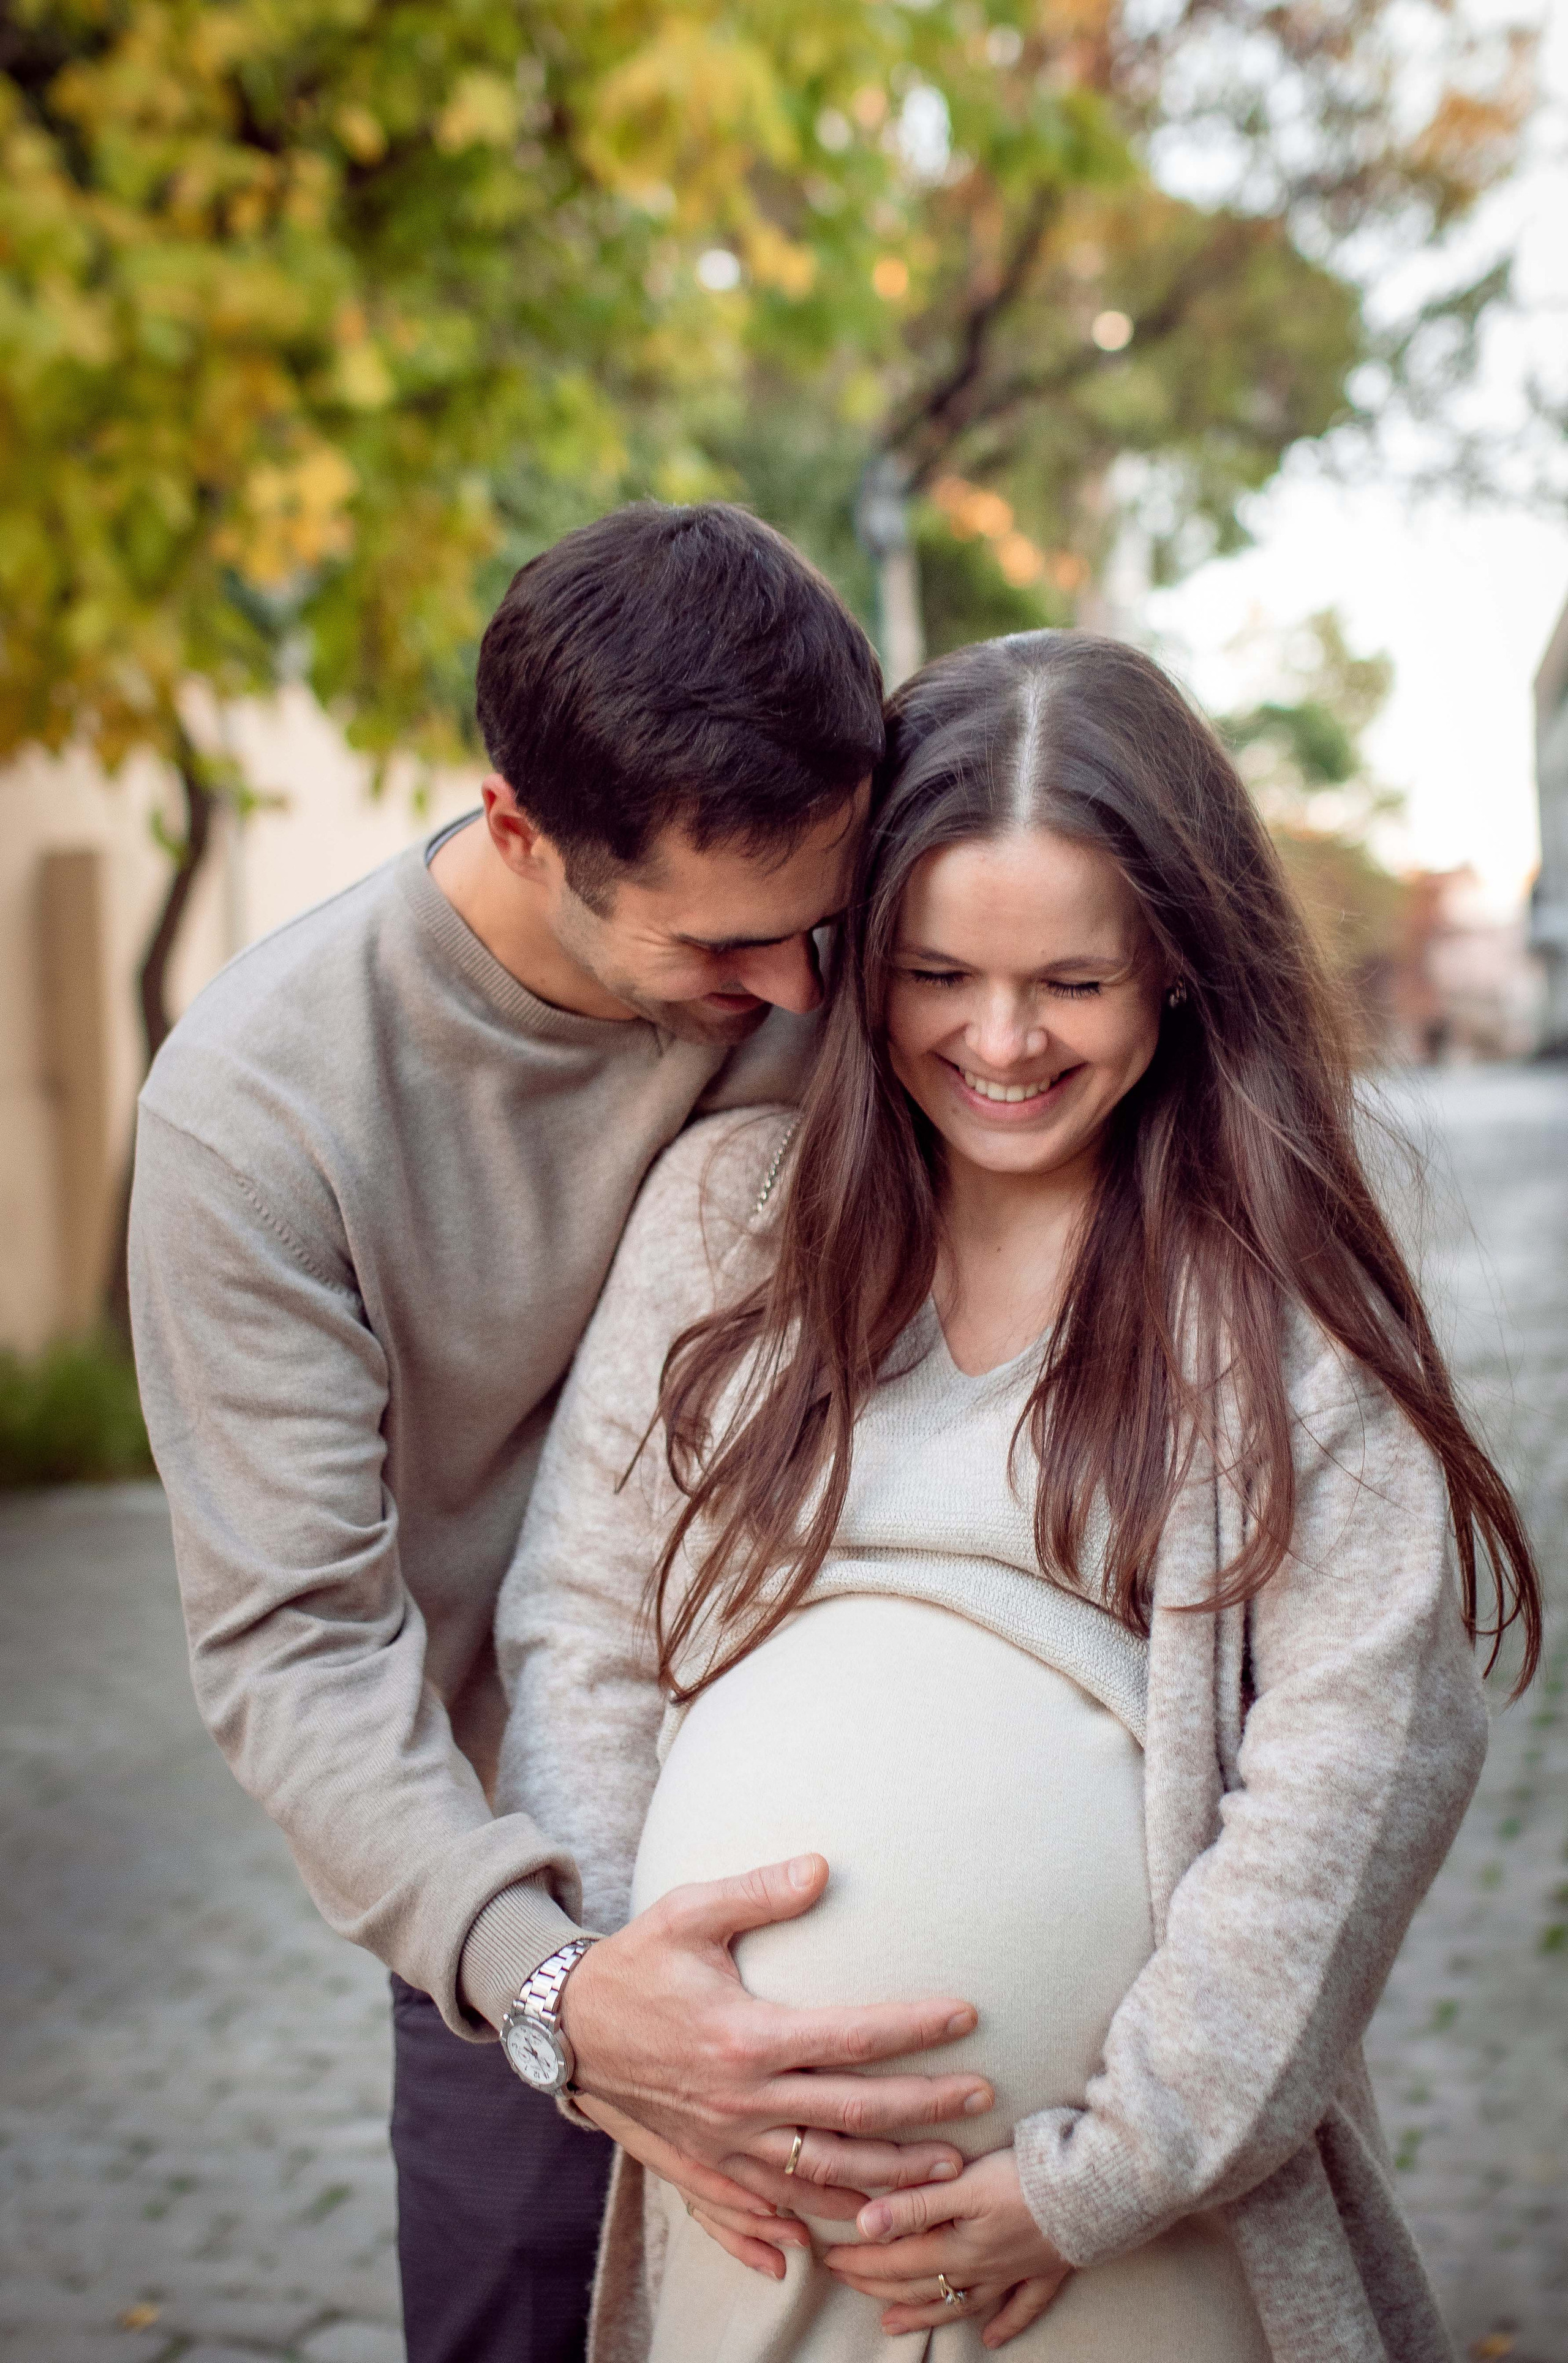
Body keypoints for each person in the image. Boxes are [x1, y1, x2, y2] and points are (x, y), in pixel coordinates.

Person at [493, 629, 1542, 2361]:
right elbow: (581, 1628)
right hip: (740, 2211)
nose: (999, 1039)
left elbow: (1355, 1784)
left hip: (1123, 2247)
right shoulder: (722, 1224)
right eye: (936, 972)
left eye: (1073, 979)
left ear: (1185, 968)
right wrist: (649, 2035)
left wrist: (1103, 2170)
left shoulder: (1275, 1312)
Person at [127, 502, 993, 2363]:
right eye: (725, 944)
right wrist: (559, 1986)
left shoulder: (843, 948)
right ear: (521, 826)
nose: (797, 998)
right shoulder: (262, 1112)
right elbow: (295, 1647)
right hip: (526, 1884)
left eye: (821, 924)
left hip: (896, 1817)